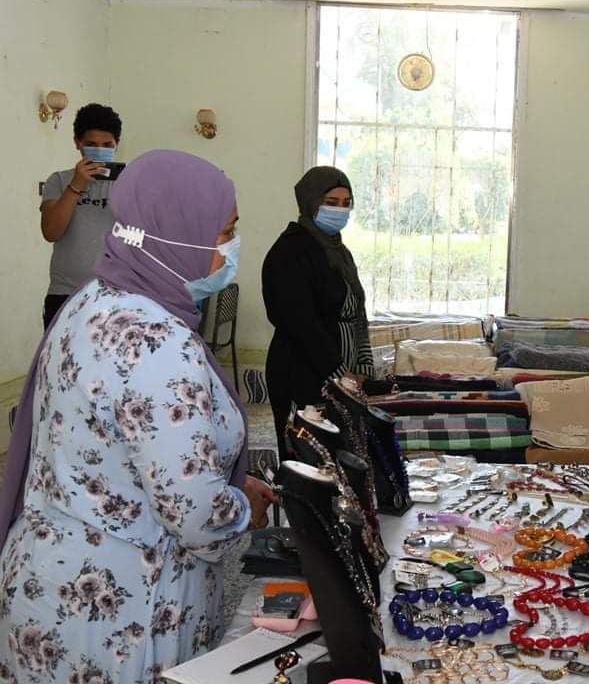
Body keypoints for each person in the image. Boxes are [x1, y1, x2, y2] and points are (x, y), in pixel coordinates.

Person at [0, 150, 275, 681]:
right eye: (226, 232)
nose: (232, 247)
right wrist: (242, 509)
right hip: (118, 610)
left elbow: (122, 453)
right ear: (180, 236)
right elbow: (194, 515)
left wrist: (224, 479)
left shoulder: (95, 299)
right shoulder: (156, 341)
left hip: (54, 585)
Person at [262, 167, 374, 462]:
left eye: (346, 203)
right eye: (331, 203)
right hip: (302, 373)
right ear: (310, 202)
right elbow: (301, 323)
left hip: (338, 376)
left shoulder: (338, 251)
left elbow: (356, 310)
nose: (340, 211)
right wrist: (339, 373)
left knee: (340, 458)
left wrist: (362, 363)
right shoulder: (291, 250)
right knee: (310, 458)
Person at [40, 103, 123, 329]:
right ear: (77, 143)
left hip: (116, 294)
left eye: (107, 145)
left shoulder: (129, 184)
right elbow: (51, 232)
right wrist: (77, 184)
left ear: (117, 144)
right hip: (65, 294)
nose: (100, 150)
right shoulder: (58, 181)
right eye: (91, 145)